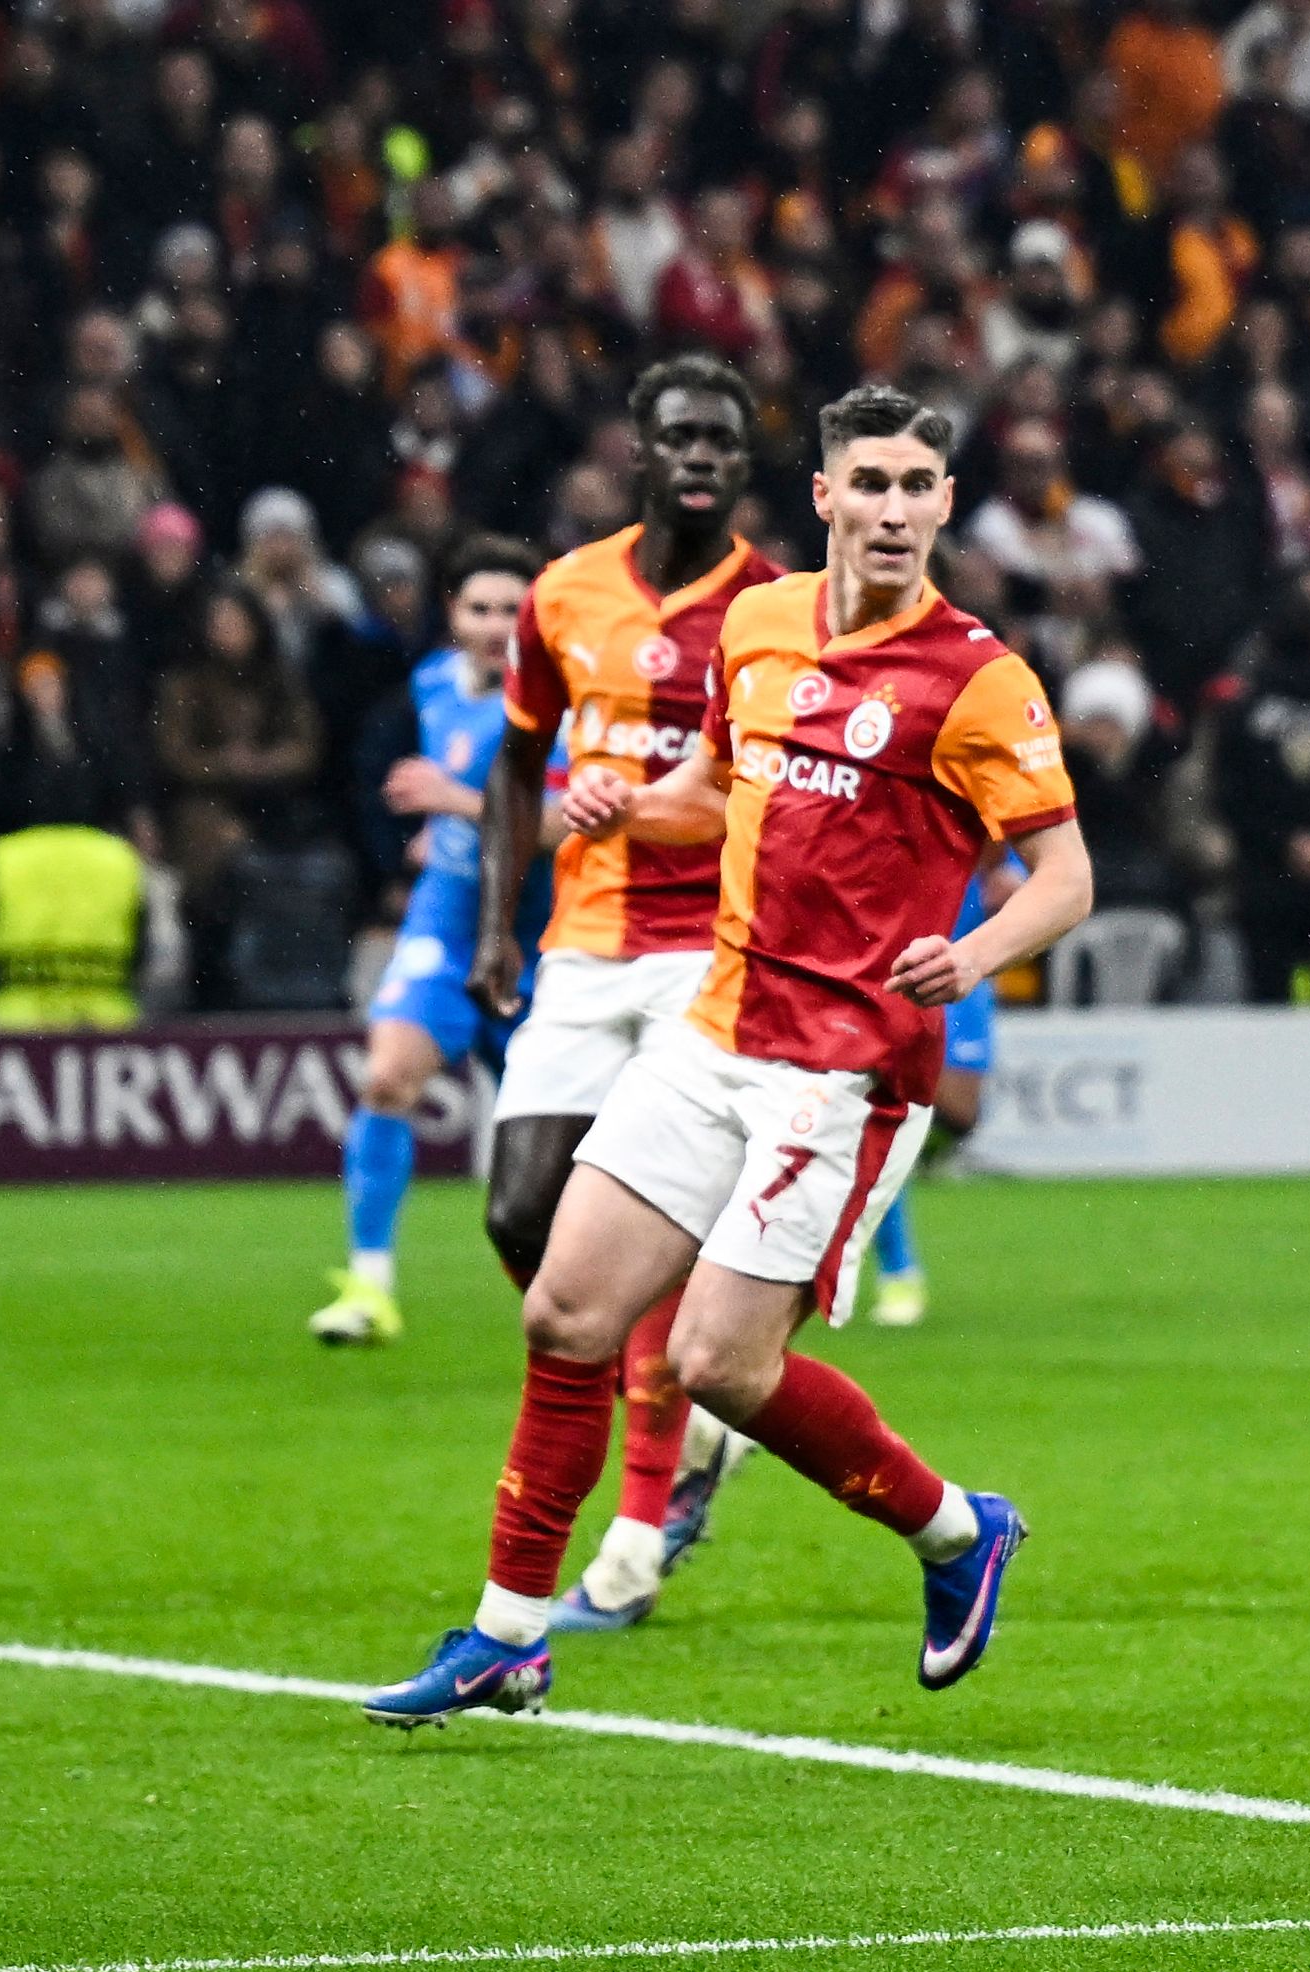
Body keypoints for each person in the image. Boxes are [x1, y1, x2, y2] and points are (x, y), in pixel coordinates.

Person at [362, 385, 1092, 1726]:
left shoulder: (978, 676)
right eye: (865, 481)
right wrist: (620, 803)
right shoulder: (756, 622)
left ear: (942, 505)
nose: (889, 507)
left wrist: (976, 955)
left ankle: (952, 1529)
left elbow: (1063, 874)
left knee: (718, 1365)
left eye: (914, 486)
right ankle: (509, 1634)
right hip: (716, 1022)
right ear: (821, 497)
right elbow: (714, 787)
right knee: (565, 1310)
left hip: (848, 1070)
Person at [466, 355, 785, 1633]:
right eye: (679, 438)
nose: (700, 457)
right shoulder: (564, 593)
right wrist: (500, 918)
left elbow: (770, 787)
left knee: (631, 1251)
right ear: (637, 453)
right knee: (517, 1217)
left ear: (742, 465)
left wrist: (647, 804)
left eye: (721, 440)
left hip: (710, 954)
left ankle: (640, 1531)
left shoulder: (773, 605)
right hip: (584, 945)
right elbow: (516, 761)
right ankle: (686, 1426)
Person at [309, 538, 544, 1345]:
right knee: (386, 1078)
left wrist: (456, 803)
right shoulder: (432, 684)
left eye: (511, 610)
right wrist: (440, 838)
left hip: (539, 945)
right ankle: (369, 1287)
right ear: (453, 613)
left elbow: (568, 824)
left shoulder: (568, 702)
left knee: (559, 1159)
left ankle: (609, 1312)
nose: (493, 624)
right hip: (445, 927)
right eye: (478, 608)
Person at [865, 864, 1011, 1328]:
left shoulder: (976, 798)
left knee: (960, 1113)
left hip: (963, 961)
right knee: (882, 1129)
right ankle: (899, 1272)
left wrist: (1009, 878)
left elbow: (1011, 847)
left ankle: (906, 1159)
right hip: (890, 964)